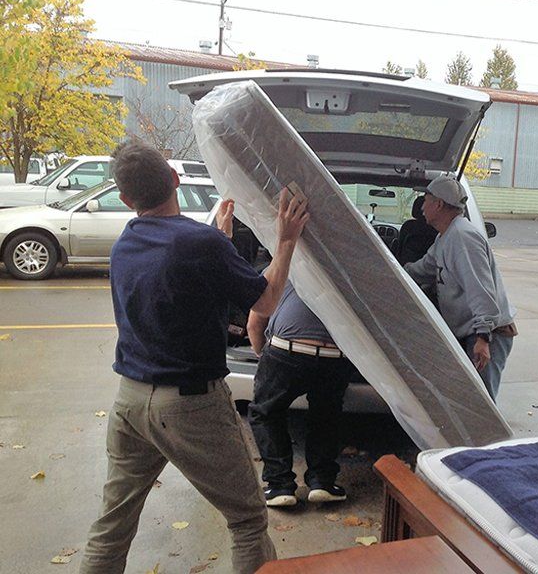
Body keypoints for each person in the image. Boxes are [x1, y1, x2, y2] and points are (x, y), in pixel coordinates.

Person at [79, 140, 309, 574]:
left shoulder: (126, 244)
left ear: (127, 200)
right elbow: (266, 301)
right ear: (175, 179)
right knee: (246, 519)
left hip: (130, 404)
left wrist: (220, 238)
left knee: (112, 526)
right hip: (190, 407)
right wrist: (286, 241)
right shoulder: (200, 243)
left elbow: (179, 281)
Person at [404, 174, 517, 400]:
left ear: (439, 204)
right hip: (473, 335)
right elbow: (422, 269)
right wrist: (392, 270)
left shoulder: (463, 237)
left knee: (479, 405)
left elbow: (481, 290)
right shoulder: (445, 237)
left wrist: (483, 338)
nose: (421, 207)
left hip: (487, 337)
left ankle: (487, 438)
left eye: (426, 200)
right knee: (467, 401)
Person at [247, 281, 355, 507]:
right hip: (335, 355)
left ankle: (279, 486)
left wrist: (262, 355)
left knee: (266, 412)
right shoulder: (348, 273)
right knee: (326, 416)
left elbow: (254, 325)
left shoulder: (279, 270)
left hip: (287, 350)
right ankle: (323, 483)